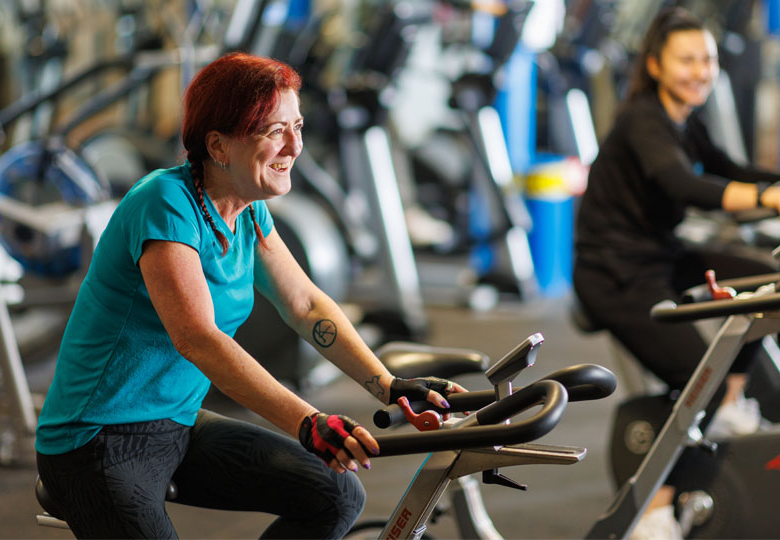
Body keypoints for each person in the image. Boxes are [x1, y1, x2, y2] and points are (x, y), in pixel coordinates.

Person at [35, 52, 464, 539]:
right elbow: (199, 338)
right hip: (94, 440)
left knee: (334, 494)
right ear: (218, 145)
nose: (295, 146)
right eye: (274, 131)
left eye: (298, 126)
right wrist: (308, 422)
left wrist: (388, 385)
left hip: (174, 423)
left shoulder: (248, 210)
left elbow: (305, 305)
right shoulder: (165, 205)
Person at [573, 7, 780, 539]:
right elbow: (683, 186)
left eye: (708, 59)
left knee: (762, 284)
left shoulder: (683, 117)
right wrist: (774, 197)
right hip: (615, 275)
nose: (701, 71)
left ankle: (727, 408)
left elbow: (727, 170)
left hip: (660, 254)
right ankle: (654, 512)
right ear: (655, 64)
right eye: (687, 60)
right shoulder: (644, 120)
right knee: (702, 377)